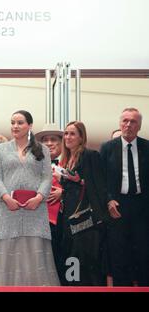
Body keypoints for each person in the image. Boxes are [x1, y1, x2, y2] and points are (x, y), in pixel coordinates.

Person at [0, 110, 59, 286]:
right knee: (7, 249)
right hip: (6, 209)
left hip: (35, 210)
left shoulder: (42, 150)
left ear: (30, 126)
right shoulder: (0, 149)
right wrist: (6, 198)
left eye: (20, 123)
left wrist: (39, 197)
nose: (15, 126)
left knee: (33, 252)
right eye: (13, 123)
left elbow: (47, 177)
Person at [100, 108, 149, 286]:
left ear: (139, 126)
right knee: (119, 256)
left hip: (143, 209)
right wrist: (108, 200)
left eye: (133, 121)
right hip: (116, 206)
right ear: (120, 124)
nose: (128, 125)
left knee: (144, 255)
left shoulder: (147, 147)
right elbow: (100, 179)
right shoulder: (107, 148)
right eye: (125, 121)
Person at [58, 121, 109, 286]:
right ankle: (71, 288)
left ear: (81, 137)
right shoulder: (65, 159)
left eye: (72, 133)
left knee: (85, 259)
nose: (68, 137)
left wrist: (80, 180)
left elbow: (99, 185)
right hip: (68, 216)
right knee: (70, 256)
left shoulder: (90, 155)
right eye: (66, 133)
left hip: (85, 219)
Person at [35, 123, 64, 279]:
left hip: (64, 222)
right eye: (45, 140)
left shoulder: (72, 161)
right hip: (39, 220)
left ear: (62, 142)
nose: (49, 143)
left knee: (63, 261)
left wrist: (64, 192)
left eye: (53, 139)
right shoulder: (34, 164)